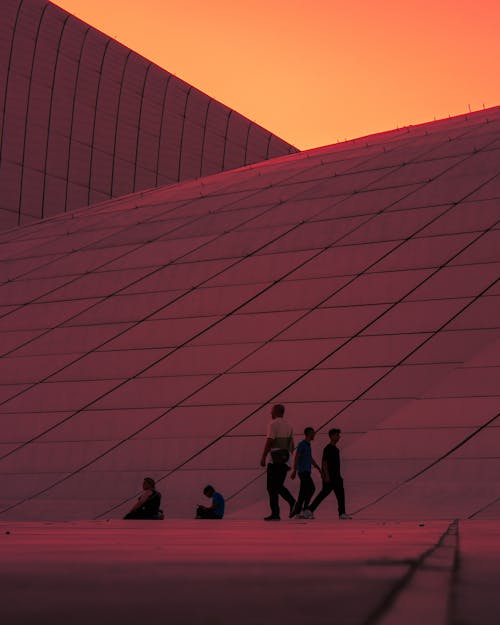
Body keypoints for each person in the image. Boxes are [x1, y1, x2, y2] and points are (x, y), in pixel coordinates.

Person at [303, 428, 352, 520]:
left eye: (338, 435)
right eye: (337, 435)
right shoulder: (328, 448)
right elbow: (324, 463)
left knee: (340, 495)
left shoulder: (336, 449)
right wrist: (326, 476)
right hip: (330, 477)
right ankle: (308, 510)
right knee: (323, 494)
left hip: (337, 477)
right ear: (332, 436)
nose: (339, 437)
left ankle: (342, 513)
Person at [260, 403, 296, 521]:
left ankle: (276, 513)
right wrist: (289, 460)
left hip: (275, 460)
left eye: (272, 411)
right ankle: (291, 503)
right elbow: (292, 445)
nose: (270, 413)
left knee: (271, 487)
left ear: (277, 412)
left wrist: (263, 457)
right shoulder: (289, 425)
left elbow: (269, 441)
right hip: (285, 460)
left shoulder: (273, 424)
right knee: (278, 485)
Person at [290, 427, 321, 517]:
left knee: (303, 492)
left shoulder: (308, 445)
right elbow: (297, 457)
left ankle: (297, 512)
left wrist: (317, 467)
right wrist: (294, 470)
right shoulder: (302, 444)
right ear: (308, 433)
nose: (314, 434)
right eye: (313, 433)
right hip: (302, 471)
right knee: (311, 488)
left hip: (307, 471)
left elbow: (310, 458)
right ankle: (305, 509)